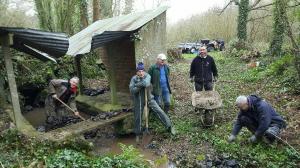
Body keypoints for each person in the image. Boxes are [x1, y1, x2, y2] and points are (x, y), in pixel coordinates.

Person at [129, 62, 175, 140]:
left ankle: (169, 126)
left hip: (149, 98)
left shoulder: (148, 76)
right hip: (139, 100)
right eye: (139, 71)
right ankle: (138, 133)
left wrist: (137, 85)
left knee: (159, 111)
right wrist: (140, 85)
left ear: (144, 71)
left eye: (142, 71)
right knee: (138, 117)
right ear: (136, 72)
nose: (141, 73)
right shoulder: (133, 79)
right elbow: (132, 90)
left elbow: (146, 83)